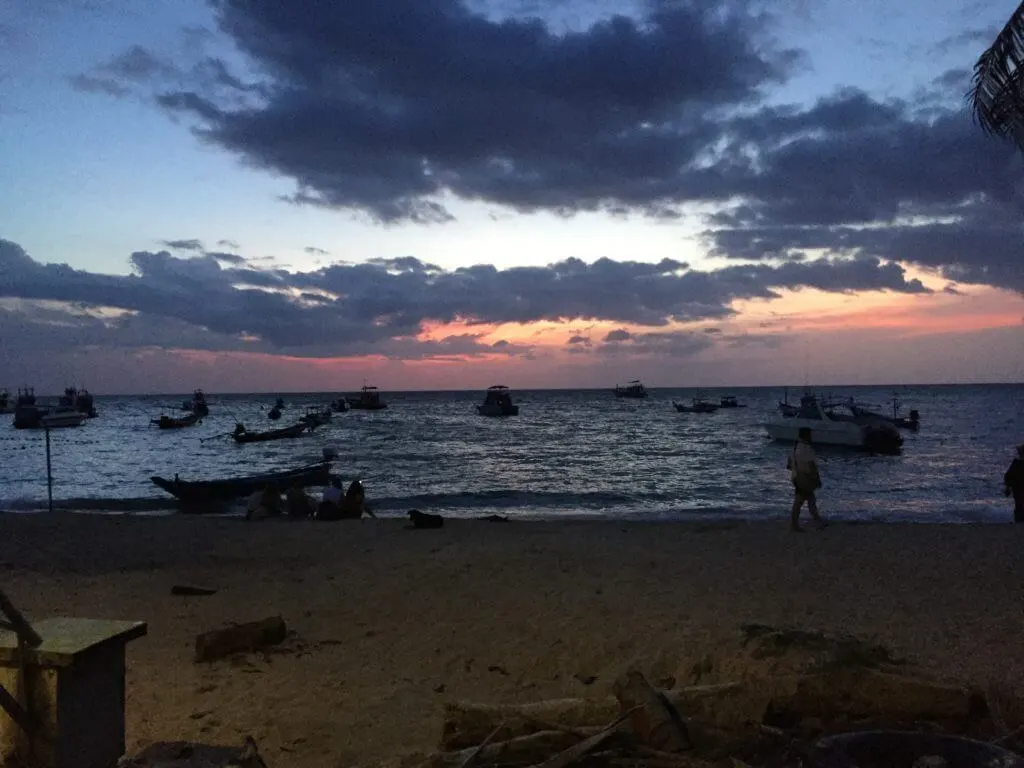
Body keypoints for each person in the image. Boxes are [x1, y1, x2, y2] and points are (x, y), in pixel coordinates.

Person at [787, 427, 826, 532]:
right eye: (810, 435)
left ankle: (818, 522)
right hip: (806, 479)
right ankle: (795, 525)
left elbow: (789, 465)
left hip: (796, 478)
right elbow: (812, 467)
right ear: (807, 436)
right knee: (800, 502)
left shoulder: (794, 448)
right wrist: (817, 480)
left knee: (810, 500)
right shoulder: (806, 449)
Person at [1004, 445, 1024, 523]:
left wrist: (1007, 487)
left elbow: (1008, 476)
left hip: (1017, 488)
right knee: (1019, 505)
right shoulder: (1016, 463)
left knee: (1019, 505)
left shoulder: (1016, 463)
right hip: (1018, 488)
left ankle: (1019, 522)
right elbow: (1009, 476)